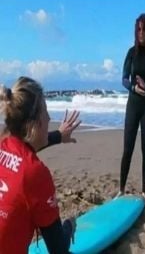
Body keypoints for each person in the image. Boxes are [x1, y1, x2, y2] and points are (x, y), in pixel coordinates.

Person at [0, 77, 75, 253]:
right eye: (45, 112)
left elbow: (23, 152)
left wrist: (58, 136)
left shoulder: (3, 144)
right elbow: (58, 249)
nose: (49, 118)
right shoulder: (36, 173)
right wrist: (69, 225)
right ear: (33, 125)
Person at [118, 14, 145, 199]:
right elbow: (123, 79)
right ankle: (121, 190)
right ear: (135, 32)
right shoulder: (131, 53)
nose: (141, 32)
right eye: (139, 29)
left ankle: (144, 191)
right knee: (127, 148)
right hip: (133, 106)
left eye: (144, 29)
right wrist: (135, 87)